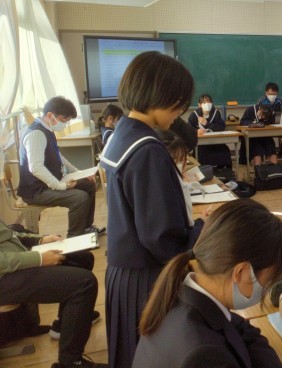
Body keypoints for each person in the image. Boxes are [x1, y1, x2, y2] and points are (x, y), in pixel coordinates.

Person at [100, 51, 204, 368]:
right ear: (158, 95)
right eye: (178, 103)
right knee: (150, 355)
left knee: (131, 353)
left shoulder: (123, 133)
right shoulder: (147, 149)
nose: (180, 112)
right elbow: (161, 236)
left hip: (123, 271)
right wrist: (202, 232)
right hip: (144, 277)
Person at [132, 199, 282, 368]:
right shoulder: (206, 355)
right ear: (241, 272)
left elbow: (241, 328)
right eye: (269, 280)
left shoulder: (179, 292)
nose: (267, 288)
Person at [0, 220, 105, 368]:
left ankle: (66, 323)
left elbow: (8, 233)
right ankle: (70, 362)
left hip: (13, 262)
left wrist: (40, 240)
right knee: (84, 283)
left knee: (83, 258)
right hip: (4, 278)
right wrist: (39, 258)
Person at [17, 96, 104, 238]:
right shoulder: (36, 134)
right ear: (50, 115)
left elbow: (59, 156)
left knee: (89, 184)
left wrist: (80, 173)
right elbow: (36, 168)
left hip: (46, 184)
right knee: (79, 197)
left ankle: (86, 228)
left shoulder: (47, 129)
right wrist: (60, 186)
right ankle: (75, 237)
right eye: (64, 120)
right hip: (36, 191)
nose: (64, 124)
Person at [187, 93, 231, 167]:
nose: (207, 104)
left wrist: (207, 124)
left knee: (224, 150)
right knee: (203, 153)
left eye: (209, 102)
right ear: (199, 105)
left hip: (215, 142)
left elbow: (221, 127)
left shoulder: (216, 113)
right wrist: (197, 131)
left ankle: (223, 170)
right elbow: (189, 129)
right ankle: (206, 170)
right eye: (204, 102)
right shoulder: (194, 115)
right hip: (201, 144)